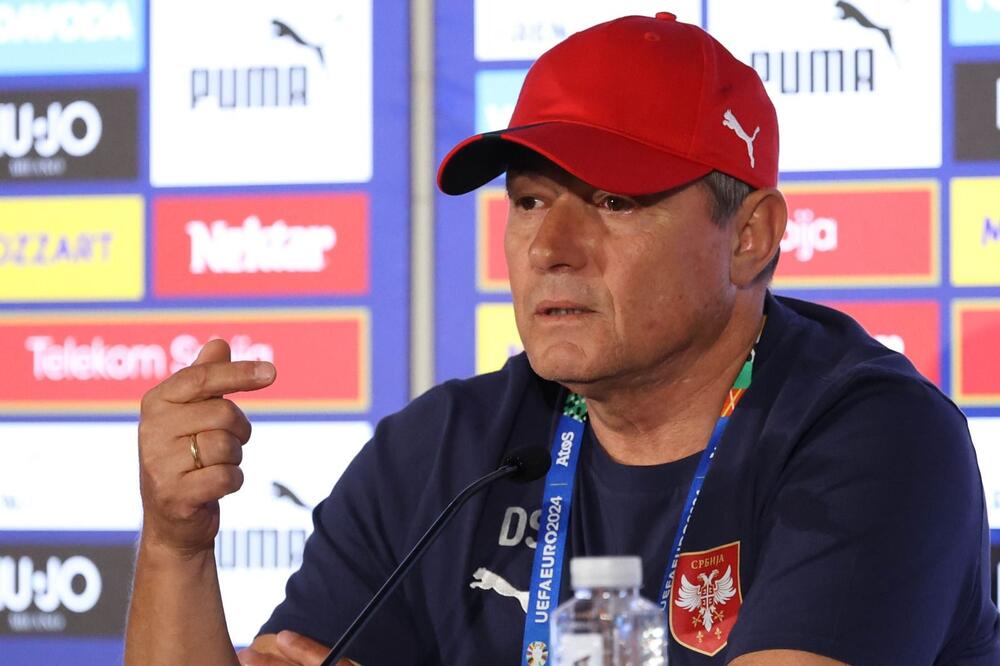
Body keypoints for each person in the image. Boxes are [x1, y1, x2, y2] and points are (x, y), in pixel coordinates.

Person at [125, 13, 1000, 666]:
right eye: (530, 200)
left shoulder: (878, 439)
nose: (550, 246)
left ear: (749, 236)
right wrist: (176, 545)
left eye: (614, 201)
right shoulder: (440, 455)